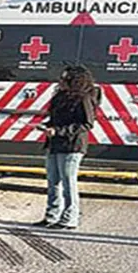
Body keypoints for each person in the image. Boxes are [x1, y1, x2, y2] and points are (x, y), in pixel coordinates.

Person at [36, 65, 100, 230]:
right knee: (52, 181)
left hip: (72, 145)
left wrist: (59, 131)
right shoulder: (59, 96)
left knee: (68, 182)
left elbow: (87, 123)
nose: (61, 81)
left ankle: (70, 217)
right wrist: (47, 126)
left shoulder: (84, 98)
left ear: (75, 81)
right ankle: (52, 215)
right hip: (54, 144)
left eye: (65, 79)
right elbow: (55, 118)